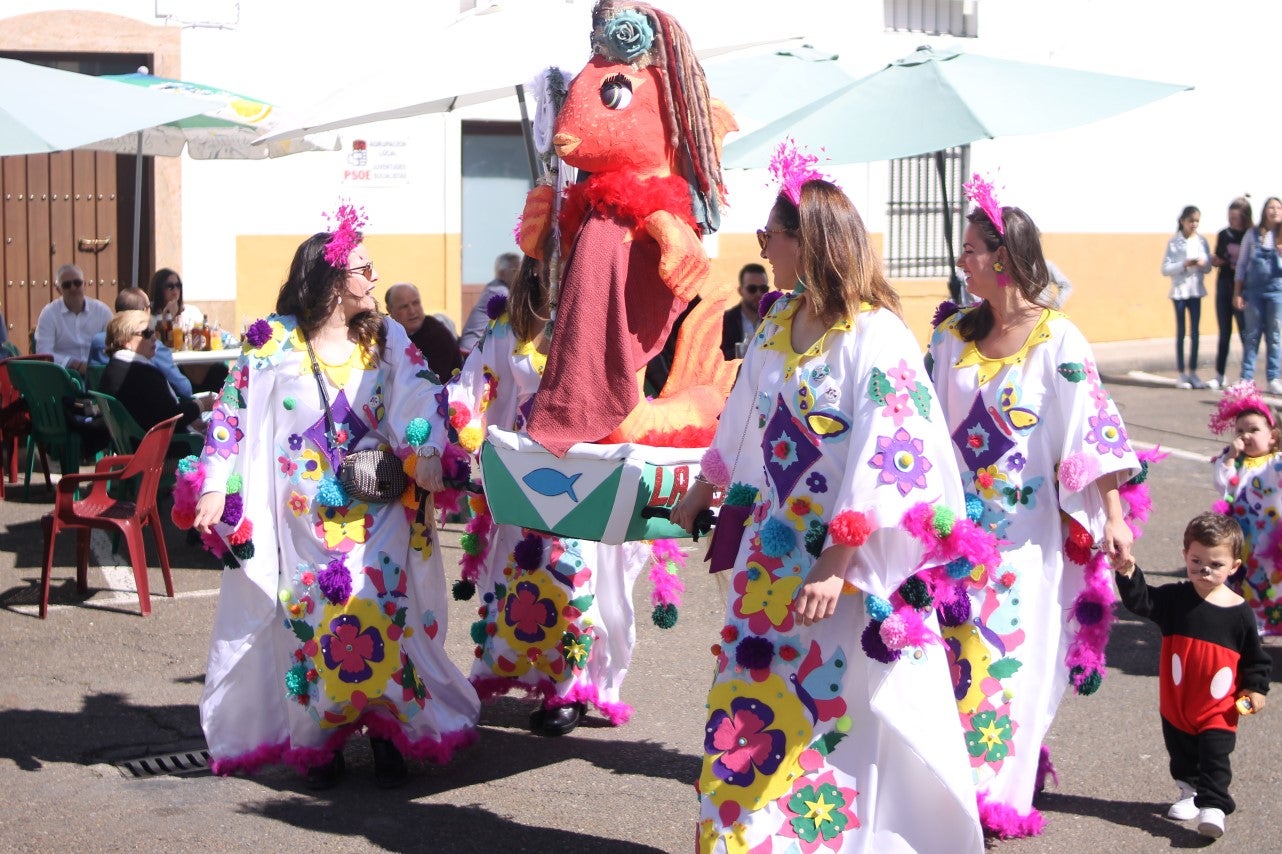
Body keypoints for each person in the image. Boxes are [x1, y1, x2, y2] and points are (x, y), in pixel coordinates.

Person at [671, 175, 983, 853]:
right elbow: (741, 418)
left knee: (841, 712)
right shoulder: (778, 321)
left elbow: (895, 453)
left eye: (770, 237)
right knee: (750, 700)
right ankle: (745, 840)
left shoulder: (877, 336)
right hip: (770, 557)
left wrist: (837, 560)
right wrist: (705, 487)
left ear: (807, 241)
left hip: (842, 572)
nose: (762, 249)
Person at [191, 207, 479, 789]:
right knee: (310, 623)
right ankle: (318, 742)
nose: (374, 278)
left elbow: (424, 393)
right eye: (363, 268)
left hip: (379, 513)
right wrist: (216, 483)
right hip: (305, 523)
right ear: (330, 279)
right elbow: (232, 414)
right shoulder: (273, 344)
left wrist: (424, 449)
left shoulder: (388, 337)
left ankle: (389, 732)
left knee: (384, 615)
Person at [927, 175, 1140, 836]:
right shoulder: (949, 338)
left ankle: (995, 798)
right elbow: (920, 430)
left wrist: (1112, 514)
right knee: (947, 662)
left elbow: (1090, 431)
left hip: (1024, 544)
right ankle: (944, 787)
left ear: (1005, 258)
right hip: (951, 539)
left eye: (971, 250)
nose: (962, 262)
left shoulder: (1059, 342)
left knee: (1008, 668)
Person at [449, 257, 652, 737]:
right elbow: (471, 386)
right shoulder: (509, 328)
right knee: (519, 578)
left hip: (582, 474)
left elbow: (627, 393)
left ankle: (569, 687)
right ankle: (513, 672)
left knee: (574, 580)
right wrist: (465, 426)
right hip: (524, 478)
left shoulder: (601, 323)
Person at [1112, 512, 1270, 840]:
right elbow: (1143, 602)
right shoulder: (1176, 599)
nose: (1204, 569)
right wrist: (1127, 570)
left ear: (1234, 567)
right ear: (1185, 555)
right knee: (1181, 752)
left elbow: (1256, 659)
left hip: (1219, 706)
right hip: (1178, 701)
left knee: (1215, 754)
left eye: (1215, 563)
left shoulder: (1240, 612)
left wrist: (1256, 689)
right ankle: (1189, 792)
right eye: (1196, 560)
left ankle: (1214, 804)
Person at [1209, 382, 1282, 635]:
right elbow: (1222, 484)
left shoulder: (1275, 463)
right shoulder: (1233, 463)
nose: (1245, 436)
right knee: (1247, 584)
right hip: (1245, 541)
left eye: (1254, 430)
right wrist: (1229, 456)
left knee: (1276, 585)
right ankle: (1250, 633)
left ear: (1272, 436)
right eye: (1240, 431)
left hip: (1273, 543)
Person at [98, 310, 205, 433]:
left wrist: (191, 422)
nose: (154, 338)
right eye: (147, 333)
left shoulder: (113, 368)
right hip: (164, 446)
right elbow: (171, 417)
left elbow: (156, 414)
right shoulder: (142, 375)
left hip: (137, 442)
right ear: (125, 341)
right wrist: (201, 405)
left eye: (153, 332)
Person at [89, 287, 194, 399]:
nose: (152, 337)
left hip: (106, 410)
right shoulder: (151, 346)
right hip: (145, 411)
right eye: (147, 333)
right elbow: (185, 389)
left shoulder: (98, 341)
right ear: (145, 311)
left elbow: (89, 386)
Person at [1233, 197, 1282, 393]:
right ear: (1264, 211)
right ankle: (1246, 378)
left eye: (1279, 207)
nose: (1275, 211)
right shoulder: (1252, 235)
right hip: (1253, 293)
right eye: (1271, 207)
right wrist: (1238, 292)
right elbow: (1242, 264)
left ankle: (1273, 377)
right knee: (1252, 336)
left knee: (1275, 336)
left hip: (1277, 292)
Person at [1161, 205, 1212, 389]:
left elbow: (1208, 267)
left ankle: (1193, 372)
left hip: (1195, 290)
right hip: (1180, 292)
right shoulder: (1174, 242)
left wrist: (1202, 263)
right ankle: (1182, 373)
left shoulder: (1201, 241)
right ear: (1182, 221)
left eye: (1197, 221)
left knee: (1195, 333)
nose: (1194, 224)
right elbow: (1165, 269)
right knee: (1181, 332)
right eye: (1191, 221)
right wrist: (1184, 264)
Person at [33, 263, 112, 379]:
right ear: (58, 289)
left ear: (84, 285)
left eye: (77, 283)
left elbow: (113, 345)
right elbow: (44, 353)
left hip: (97, 373)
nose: (73, 288)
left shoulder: (102, 311)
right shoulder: (49, 313)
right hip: (63, 376)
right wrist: (74, 364)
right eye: (66, 285)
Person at [1210, 198, 1252, 389]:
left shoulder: (1251, 235)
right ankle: (1219, 375)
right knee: (1224, 331)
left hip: (1244, 287)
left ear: (1244, 217)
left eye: (1235, 217)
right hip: (1224, 283)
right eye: (1230, 216)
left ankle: (1247, 376)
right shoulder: (1223, 234)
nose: (1232, 220)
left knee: (1245, 332)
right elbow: (1220, 256)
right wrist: (1217, 261)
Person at [385, 282, 462, 382]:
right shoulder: (389, 334)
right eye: (404, 306)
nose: (412, 311)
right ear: (390, 311)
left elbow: (432, 383)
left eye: (415, 303)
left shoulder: (437, 335)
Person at [457, 252, 519, 355]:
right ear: (502, 273)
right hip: (474, 350)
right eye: (515, 270)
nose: (519, 274)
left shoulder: (495, 287)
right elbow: (519, 316)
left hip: (477, 347)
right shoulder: (499, 291)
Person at [719, 263, 771, 360]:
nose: (758, 294)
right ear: (740, 290)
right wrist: (742, 350)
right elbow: (718, 356)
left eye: (763, 289)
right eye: (752, 289)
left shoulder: (775, 320)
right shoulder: (725, 321)